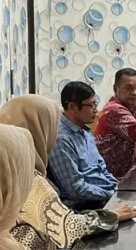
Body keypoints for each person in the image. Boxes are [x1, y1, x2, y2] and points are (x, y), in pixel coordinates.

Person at [0, 95, 136, 250]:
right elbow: (68, 229)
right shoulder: (26, 177)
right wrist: (113, 215)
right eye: (53, 127)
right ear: (38, 130)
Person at [47, 81, 119, 210]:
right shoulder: (61, 139)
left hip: (103, 196)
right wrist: (111, 194)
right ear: (73, 107)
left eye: (96, 104)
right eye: (91, 105)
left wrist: (118, 188)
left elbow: (101, 169)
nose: (96, 110)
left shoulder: (85, 131)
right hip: (84, 206)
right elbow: (76, 188)